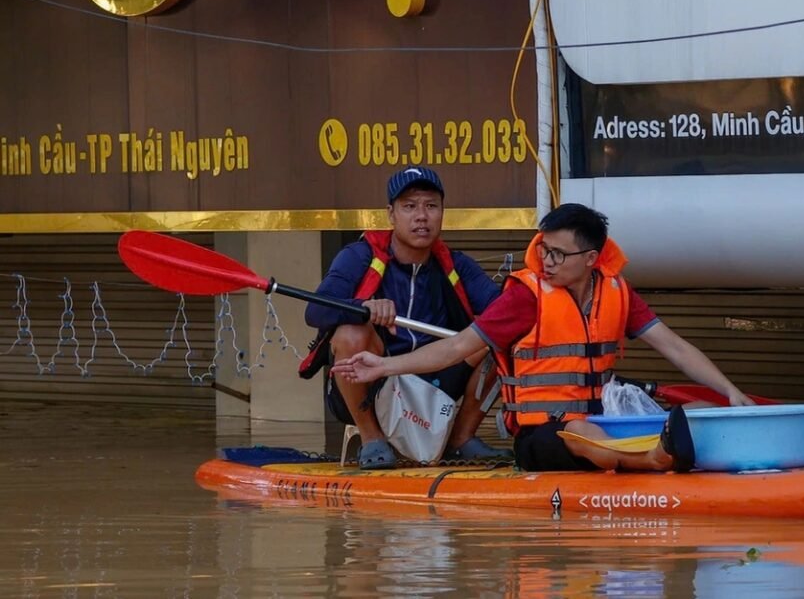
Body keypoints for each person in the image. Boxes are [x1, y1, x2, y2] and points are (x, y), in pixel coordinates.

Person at [331, 203, 755, 473]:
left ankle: (696, 449)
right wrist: (386, 365)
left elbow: (676, 347)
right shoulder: (525, 296)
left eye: (558, 254)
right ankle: (651, 460)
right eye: (544, 249)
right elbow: (459, 347)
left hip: (602, 422)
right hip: (542, 438)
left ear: (591, 259)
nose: (546, 261)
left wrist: (731, 393)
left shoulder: (617, 292)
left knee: (698, 409)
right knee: (583, 433)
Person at [304, 165, 512, 470]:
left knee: (498, 337)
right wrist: (364, 307)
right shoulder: (359, 255)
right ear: (391, 214)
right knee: (350, 332)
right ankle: (371, 437)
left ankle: (460, 439)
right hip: (373, 382)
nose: (421, 216)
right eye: (409, 207)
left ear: (443, 212)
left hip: (436, 378)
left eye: (431, 206)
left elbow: (502, 312)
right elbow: (315, 312)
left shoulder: (457, 265)